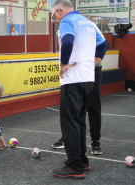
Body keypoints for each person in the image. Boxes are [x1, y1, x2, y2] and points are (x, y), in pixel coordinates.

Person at [51, 0, 108, 179]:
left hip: (73, 79)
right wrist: (94, 62)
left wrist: (63, 64)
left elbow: (67, 40)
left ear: (59, 11)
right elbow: (104, 45)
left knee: (70, 123)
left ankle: (75, 166)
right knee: (80, 121)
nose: (55, 20)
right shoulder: (89, 23)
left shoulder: (68, 21)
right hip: (88, 79)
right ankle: (81, 160)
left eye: (54, 16)